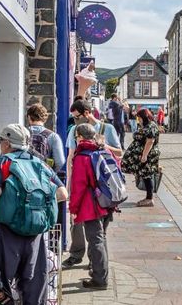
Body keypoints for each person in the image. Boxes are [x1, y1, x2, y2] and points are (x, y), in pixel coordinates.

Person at [0, 124, 68, 303]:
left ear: (7, 143)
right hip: (35, 233)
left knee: (1, 283)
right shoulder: (39, 163)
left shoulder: (1, 162)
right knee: (33, 282)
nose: (0, 144)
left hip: (7, 231)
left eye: (0, 141)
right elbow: (63, 194)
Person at [64, 100, 122, 269]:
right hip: (81, 182)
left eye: (77, 117)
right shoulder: (75, 131)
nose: (75, 121)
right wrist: (69, 184)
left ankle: (96, 263)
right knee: (76, 223)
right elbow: (70, 158)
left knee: (98, 231)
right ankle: (77, 254)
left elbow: (119, 153)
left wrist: (103, 144)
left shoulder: (107, 129)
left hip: (102, 189)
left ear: (87, 113)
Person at [68, 123, 110, 290]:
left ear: (79, 137)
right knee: (100, 238)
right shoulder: (101, 150)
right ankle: (100, 273)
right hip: (106, 202)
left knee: (96, 240)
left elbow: (78, 187)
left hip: (90, 205)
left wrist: (73, 209)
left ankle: (100, 279)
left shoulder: (82, 157)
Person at [122, 108, 160, 206]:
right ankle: (148, 197)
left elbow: (150, 141)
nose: (138, 120)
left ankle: (149, 198)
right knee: (144, 174)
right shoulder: (147, 125)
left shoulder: (151, 126)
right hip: (144, 154)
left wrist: (144, 156)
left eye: (139, 118)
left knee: (146, 175)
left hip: (148, 155)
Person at [26, 104, 66, 178]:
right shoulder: (53, 136)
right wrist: (50, 173)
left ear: (29, 117)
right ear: (45, 118)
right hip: (43, 177)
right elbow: (60, 161)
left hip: (23, 176)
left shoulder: (21, 133)